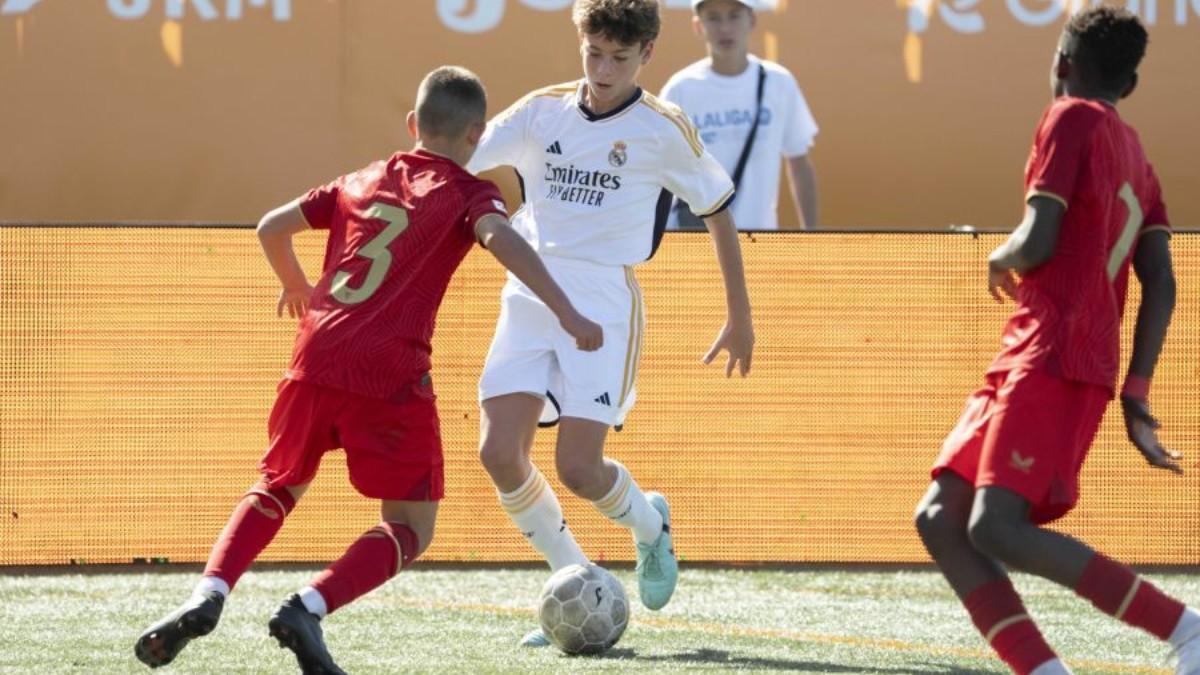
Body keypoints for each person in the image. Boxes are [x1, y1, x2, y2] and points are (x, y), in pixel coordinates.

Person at [133, 66, 603, 674]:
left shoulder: (362, 178)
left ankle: (208, 593)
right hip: (389, 373)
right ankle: (307, 606)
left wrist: (297, 284)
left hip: (315, 354)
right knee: (410, 527)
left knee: (277, 485)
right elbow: (500, 239)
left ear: (413, 125)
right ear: (477, 135)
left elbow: (270, 227)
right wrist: (566, 309)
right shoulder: (469, 192)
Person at [913, 8, 1199, 674]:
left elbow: (1037, 239)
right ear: (1129, 83)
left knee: (994, 526)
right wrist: (1136, 393)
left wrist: (998, 255)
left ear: (1064, 63)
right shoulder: (1141, 162)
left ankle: (1185, 627)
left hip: (1055, 352)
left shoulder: (1069, 115)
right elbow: (1162, 282)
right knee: (939, 517)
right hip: (1044, 354)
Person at [466, 0, 755, 646]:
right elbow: (462, 157)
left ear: (647, 55)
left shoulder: (663, 129)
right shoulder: (542, 110)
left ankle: (651, 524)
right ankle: (575, 576)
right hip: (528, 293)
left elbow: (718, 209)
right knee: (496, 451)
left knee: (578, 467)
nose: (602, 69)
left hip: (602, 302)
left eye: (619, 58)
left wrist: (739, 313)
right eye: (593, 53)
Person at [660, 0, 818, 231]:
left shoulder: (779, 82)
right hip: (694, 242)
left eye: (734, 15)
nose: (725, 28)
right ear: (697, 25)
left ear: (752, 20)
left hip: (759, 238)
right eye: (713, 17)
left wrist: (811, 238)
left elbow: (799, 163)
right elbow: (657, 170)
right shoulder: (680, 89)